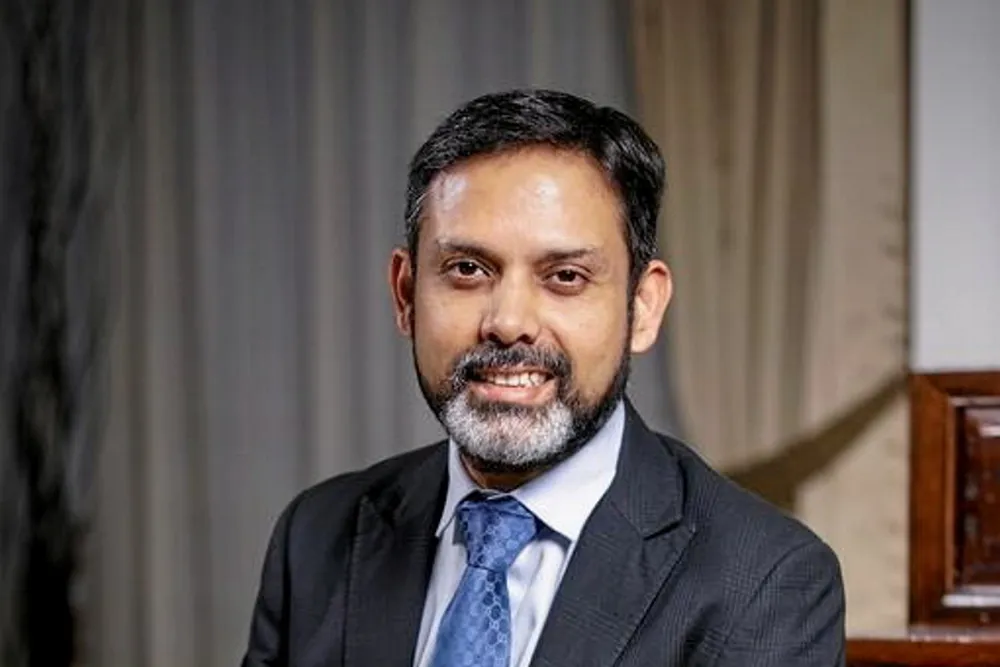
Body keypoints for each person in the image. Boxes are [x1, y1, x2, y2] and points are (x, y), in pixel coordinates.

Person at [241, 89, 845, 667]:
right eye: (468, 269)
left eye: (565, 277)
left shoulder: (765, 582)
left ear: (642, 308)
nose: (508, 323)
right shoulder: (317, 537)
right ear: (406, 295)